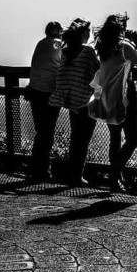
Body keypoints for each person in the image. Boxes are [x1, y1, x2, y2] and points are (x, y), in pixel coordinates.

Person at [90, 15, 137, 191]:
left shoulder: (103, 48)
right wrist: (136, 42)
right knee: (133, 139)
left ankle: (115, 179)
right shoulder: (124, 46)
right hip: (125, 97)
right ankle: (114, 172)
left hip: (107, 97)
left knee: (115, 138)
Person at [48, 18, 98, 185]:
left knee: (76, 137)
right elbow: (97, 72)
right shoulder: (88, 52)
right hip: (84, 100)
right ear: (83, 34)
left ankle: (73, 173)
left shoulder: (66, 52)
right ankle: (77, 176)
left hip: (71, 100)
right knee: (83, 140)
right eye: (88, 32)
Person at [26, 21, 64, 181]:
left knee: (41, 131)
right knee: (47, 133)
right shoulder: (57, 44)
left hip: (35, 91)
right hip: (48, 92)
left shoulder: (40, 44)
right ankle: (42, 171)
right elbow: (64, 62)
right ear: (57, 32)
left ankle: (35, 168)